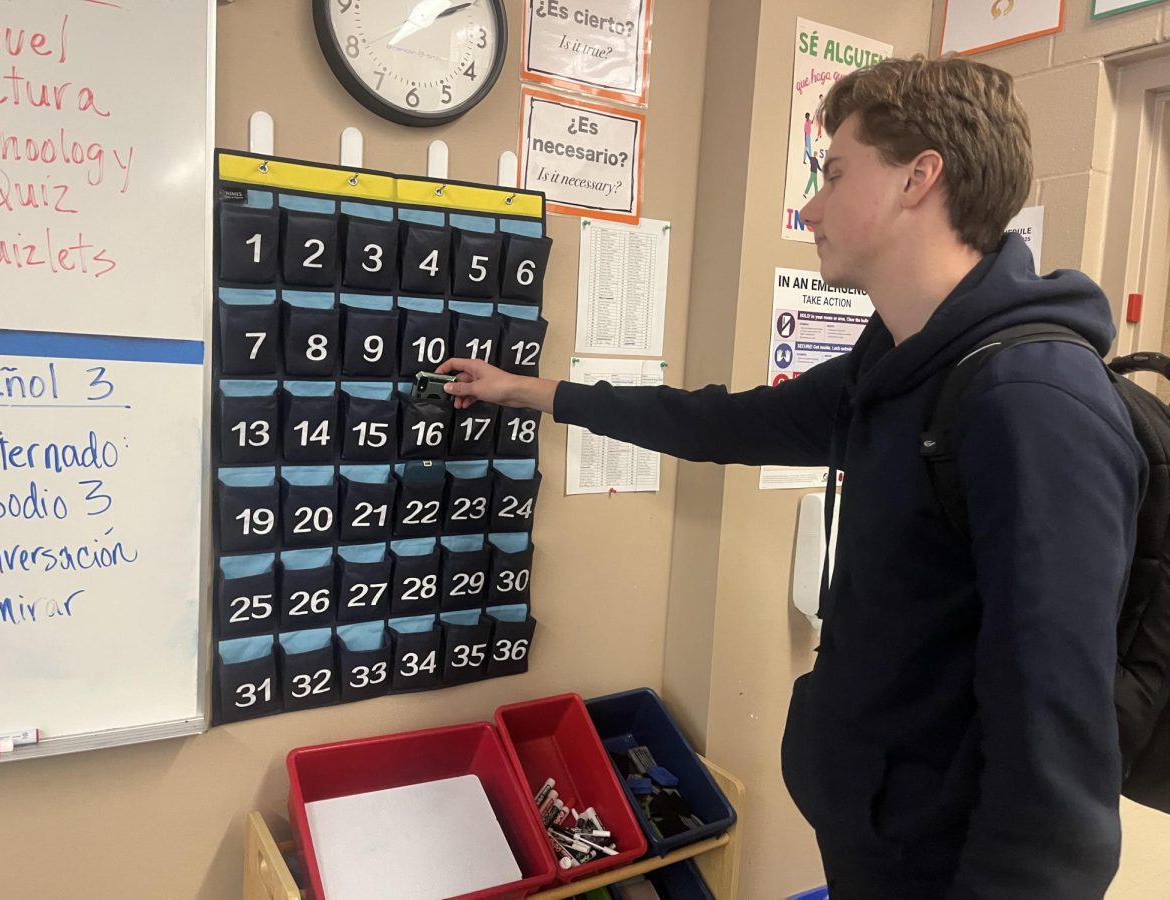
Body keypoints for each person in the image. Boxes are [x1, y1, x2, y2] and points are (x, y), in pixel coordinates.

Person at [437, 55, 1146, 899]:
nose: (809, 205)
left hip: (949, 863)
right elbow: (724, 422)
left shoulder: (1032, 405)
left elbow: (1056, 756)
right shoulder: (894, 363)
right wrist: (533, 392)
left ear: (921, 178)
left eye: (834, 173)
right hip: (874, 827)